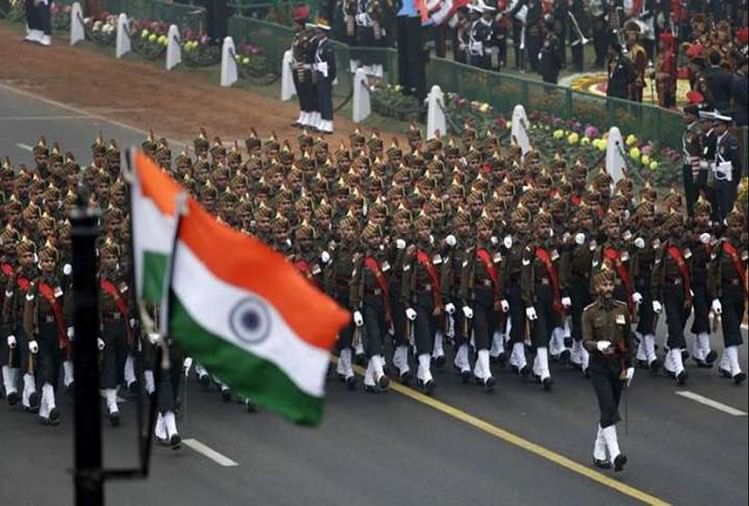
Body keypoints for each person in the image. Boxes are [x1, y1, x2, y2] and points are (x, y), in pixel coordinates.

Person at [582, 267, 633, 473]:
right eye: (605, 284)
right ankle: (615, 454)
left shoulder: (622, 309)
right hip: (599, 366)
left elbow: (629, 339)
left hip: (618, 365)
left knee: (609, 409)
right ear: (597, 287)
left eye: (611, 284)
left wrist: (631, 366)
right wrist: (597, 345)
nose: (609, 288)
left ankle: (598, 452)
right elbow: (586, 341)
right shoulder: (590, 312)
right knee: (609, 407)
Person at [709, 208, 748, 385]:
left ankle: (725, 364)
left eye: (740, 225)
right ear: (728, 226)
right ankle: (735, 369)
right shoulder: (721, 246)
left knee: (736, 323)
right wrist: (714, 297)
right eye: (734, 226)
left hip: (739, 291)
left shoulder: (745, 244)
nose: (737, 229)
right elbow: (712, 273)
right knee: (731, 327)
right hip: (725, 290)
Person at [710, 112, 742, 222]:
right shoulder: (718, 140)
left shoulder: (730, 140)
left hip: (728, 180)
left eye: (717, 126)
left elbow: (736, 163)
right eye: (714, 126)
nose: (714, 128)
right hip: (719, 179)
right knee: (720, 208)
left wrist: (735, 181)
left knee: (727, 208)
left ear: (724, 126)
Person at [312, 19, 337, 135]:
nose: (317, 35)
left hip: (326, 76)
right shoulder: (319, 44)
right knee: (320, 99)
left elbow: (331, 64)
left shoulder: (328, 46)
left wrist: (330, 77)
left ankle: (329, 123)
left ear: (324, 33)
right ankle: (323, 121)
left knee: (326, 100)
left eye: (319, 33)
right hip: (320, 74)